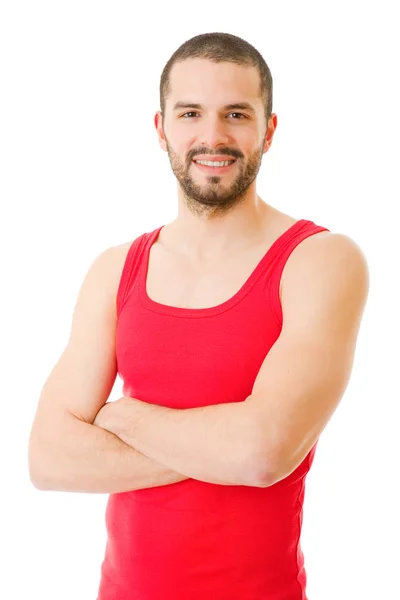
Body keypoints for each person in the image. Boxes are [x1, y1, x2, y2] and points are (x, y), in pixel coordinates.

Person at [28, 32, 369, 599]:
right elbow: (48, 459)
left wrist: (124, 418)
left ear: (269, 129)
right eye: (191, 113)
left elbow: (262, 455)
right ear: (161, 129)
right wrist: (223, 444)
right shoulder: (116, 270)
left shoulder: (319, 261)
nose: (213, 137)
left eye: (236, 114)